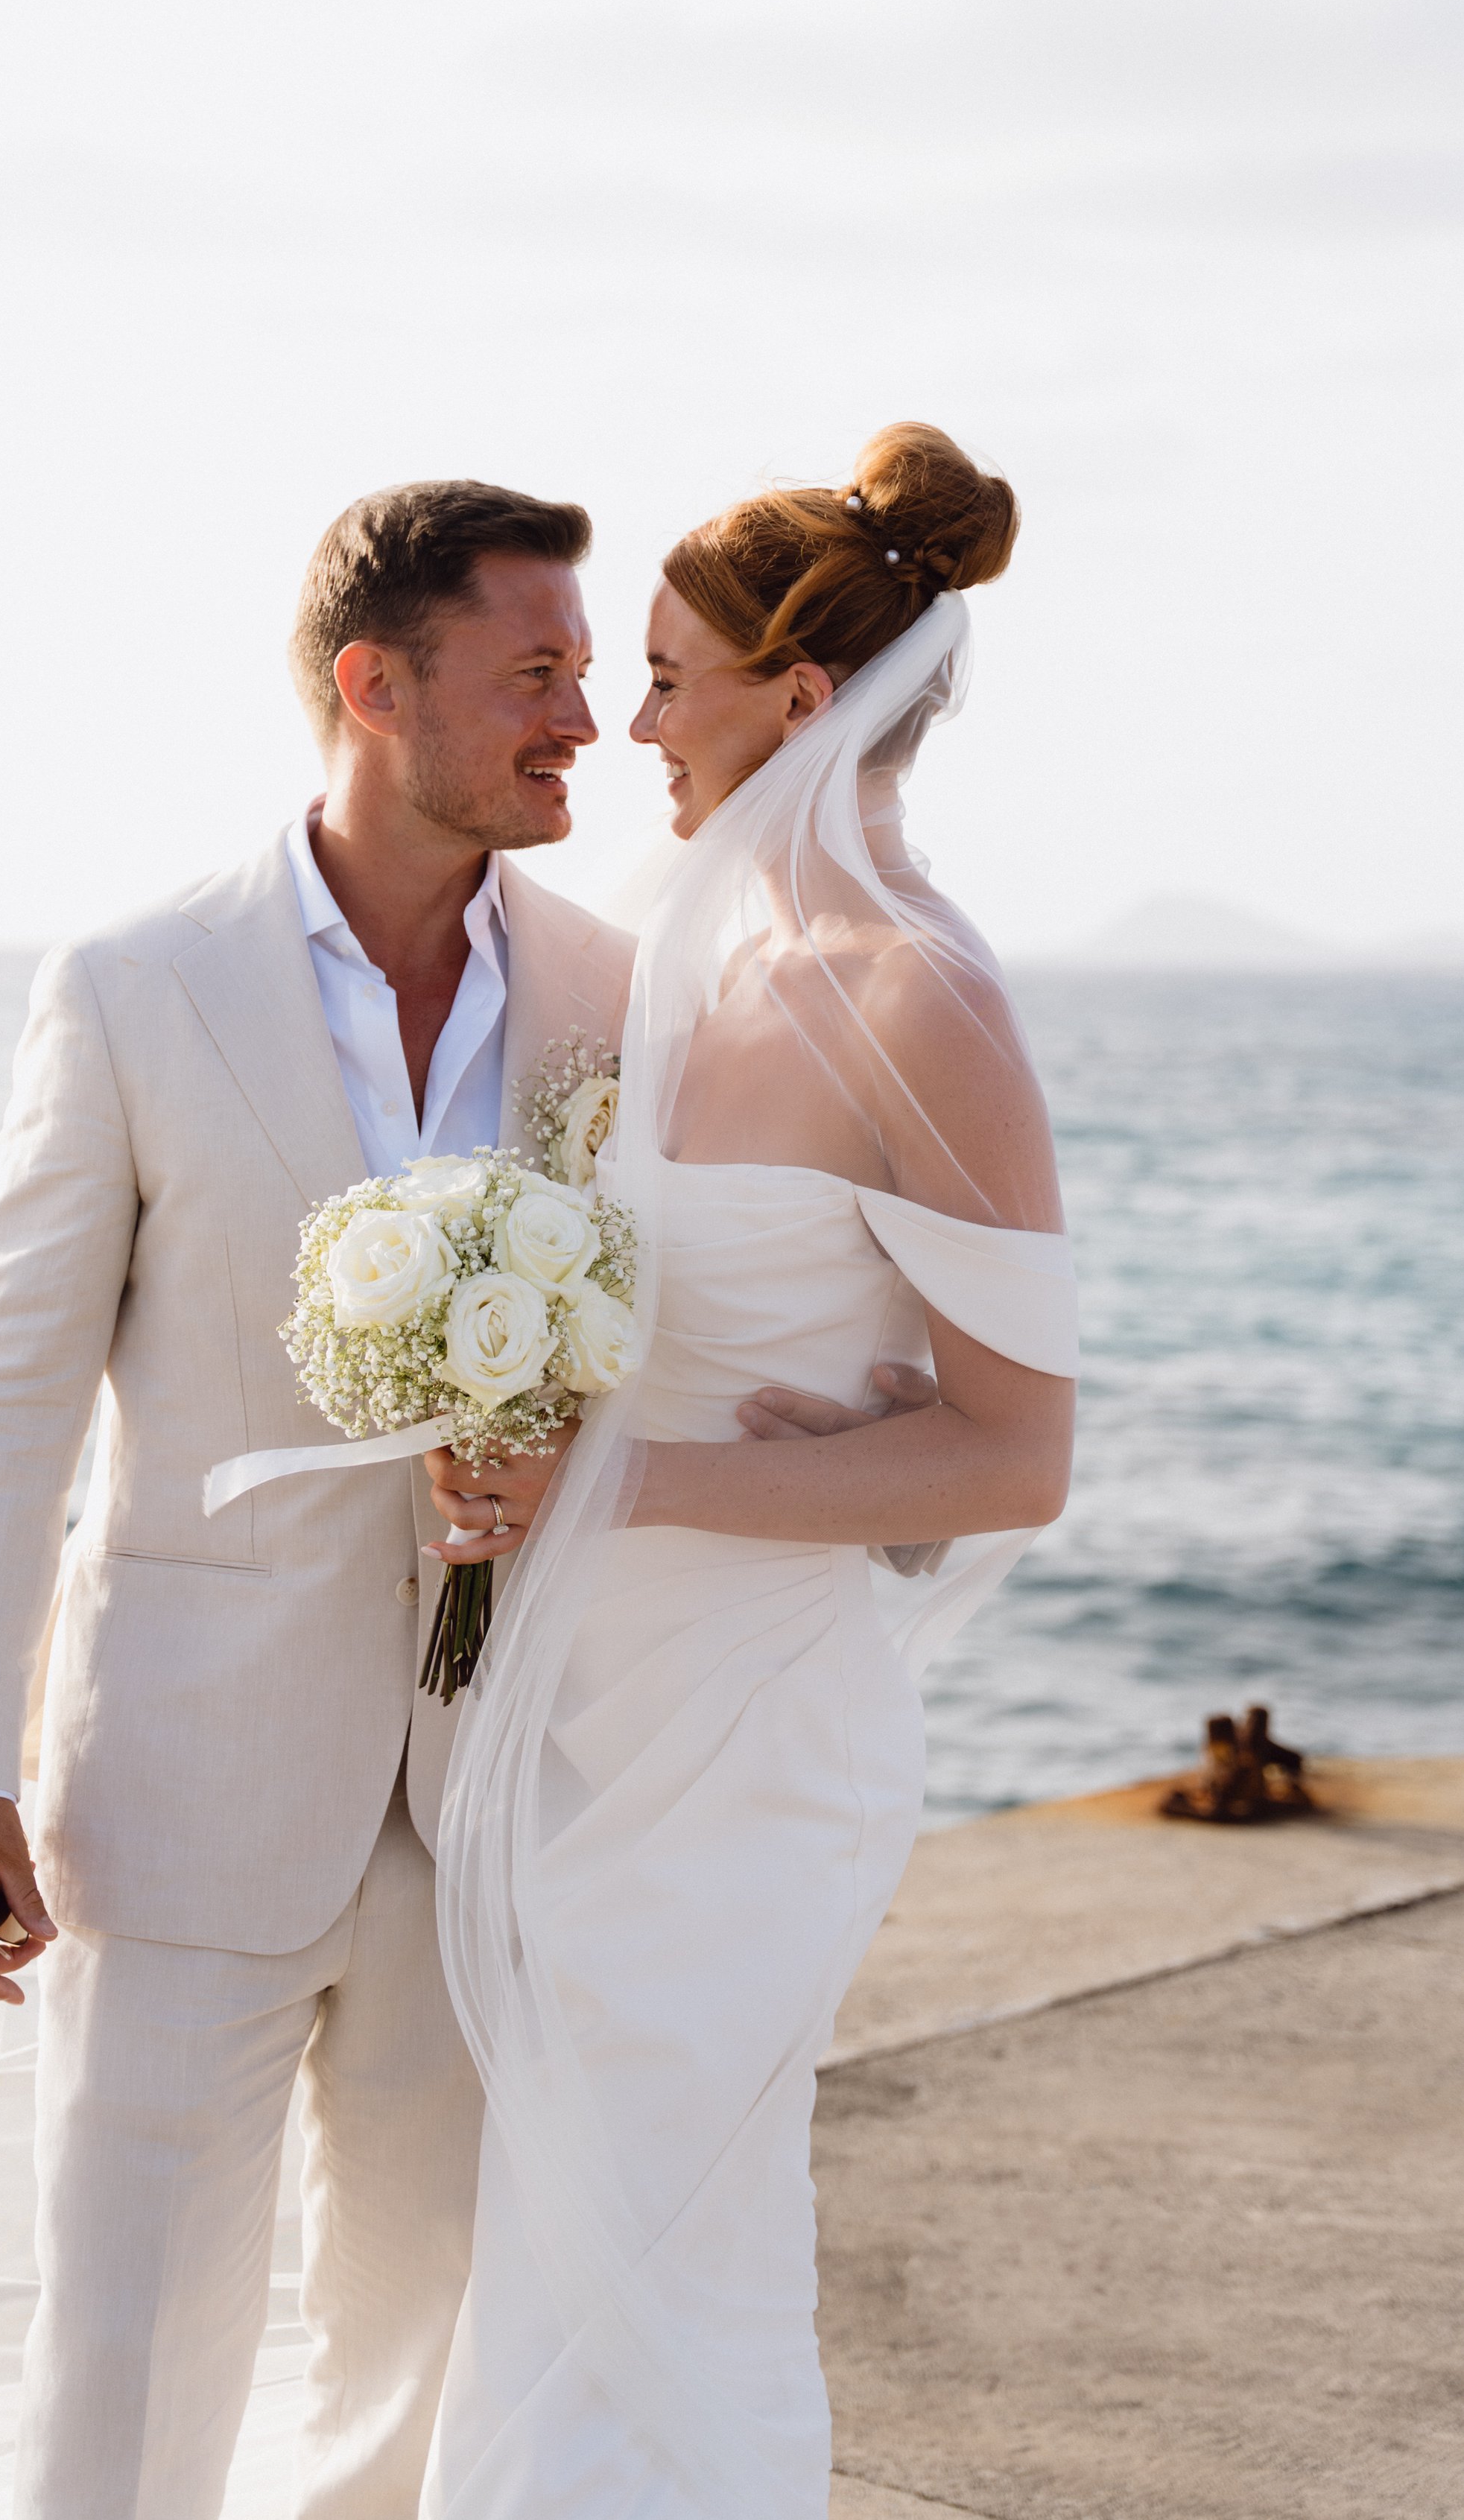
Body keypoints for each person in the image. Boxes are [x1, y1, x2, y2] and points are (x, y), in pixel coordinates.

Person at [0, 481, 636, 2520]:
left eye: (587, 679)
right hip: (181, 1779)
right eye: (535, 675)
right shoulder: (138, 983)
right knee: (130, 2340)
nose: (580, 722)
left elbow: (641, 1337)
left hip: (489, 1785)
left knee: (420, 2345)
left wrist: (559, 1449)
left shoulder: (609, 993)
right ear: (373, 686)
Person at [417, 424, 1080, 2519]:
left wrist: (624, 1481)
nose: (629, 724)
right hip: (592, 1689)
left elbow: (1014, 1453)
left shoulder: (921, 998)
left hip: (752, 1729)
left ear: (801, 699)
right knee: (560, 2233)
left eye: (674, 677)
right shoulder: (685, 959)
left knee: (674, 2244)